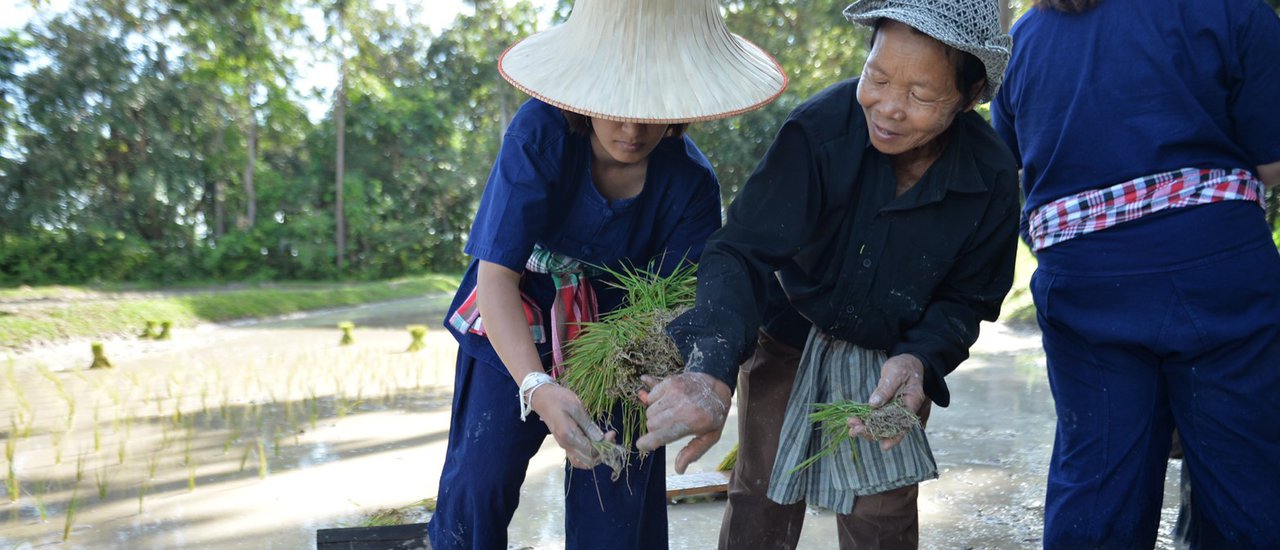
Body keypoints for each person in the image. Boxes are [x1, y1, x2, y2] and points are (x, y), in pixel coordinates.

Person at [635, 0, 1019, 547]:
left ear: (968, 97)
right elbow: (739, 250)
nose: (887, 107)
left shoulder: (991, 175)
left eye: (919, 95)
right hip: (790, 329)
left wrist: (920, 359)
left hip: (894, 360)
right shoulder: (819, 131)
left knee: (882, 507)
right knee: (764, 490)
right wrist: (711, 368)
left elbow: (967, 299)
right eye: (877, 77)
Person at [424, 1, 785, 548]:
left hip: (625, 345)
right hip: (519, 316)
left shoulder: (691, 184)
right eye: (616, 105)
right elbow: (494, 276)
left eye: (652, 107)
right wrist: (537, 385)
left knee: (616, 499)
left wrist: (697, 383)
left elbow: (679, 312)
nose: (633, 127)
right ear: (585, 91)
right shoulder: (540, 135)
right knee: (480, 479)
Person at [990, 0, 1280, 547]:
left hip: (1085, 285)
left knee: (1098, 485)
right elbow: (1271, 164)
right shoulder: (1233, 11)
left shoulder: (1024, 40)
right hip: (1217, 274)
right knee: (1246, 481)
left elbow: (1010, 168)